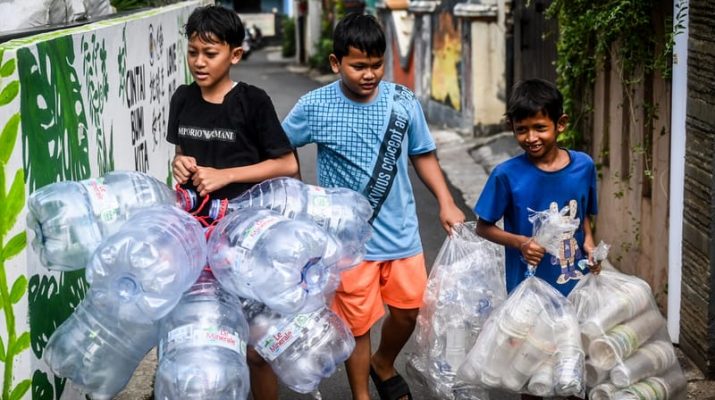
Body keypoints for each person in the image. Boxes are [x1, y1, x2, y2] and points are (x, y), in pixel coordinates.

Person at [282, 13, 465, 400]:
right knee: (357, 324)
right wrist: (298, 195)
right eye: (358, 66)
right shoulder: (314, 106)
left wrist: (446, 202)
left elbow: (424, 154)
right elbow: (280, 148)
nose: (369, 74)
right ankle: (361, 394)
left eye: (377, 65)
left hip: (401, 231)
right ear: (336, 64)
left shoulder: (402, 102)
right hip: (348, 243)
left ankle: (384, 362)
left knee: (409, 311)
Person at [166, 6, 297, 399]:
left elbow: (287, 164)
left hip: (248, 239)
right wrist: (180, 163)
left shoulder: (252, 102)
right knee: (206, 344)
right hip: (198, 238)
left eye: (210, 53)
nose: (199, 62)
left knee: (257, 348)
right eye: (193, 52)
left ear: (235, 55)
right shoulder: (183, 98)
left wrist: (226, 176)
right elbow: (182, 153)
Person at [473, 78, 598, 399]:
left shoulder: (583, 166)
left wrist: (589, 242)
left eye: (540, 128)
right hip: (530, 294)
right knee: (532, 373)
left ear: (561, 124)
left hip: (575, 286)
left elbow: (583, 213)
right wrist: (520, 243)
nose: (531, 138)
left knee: (571, 368)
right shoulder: (506, 174)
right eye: (521, 130)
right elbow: (483, 226)